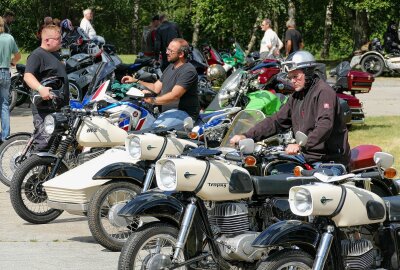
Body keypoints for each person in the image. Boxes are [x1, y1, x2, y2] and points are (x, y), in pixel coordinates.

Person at [230, 51, 351, 167]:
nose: (292, 81)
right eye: (290, 77)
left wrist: (300, 146)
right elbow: (276, 121)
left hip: (329, 160)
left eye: (296, 76)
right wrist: (247, 136)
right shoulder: (297, 96)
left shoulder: (323, 92)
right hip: (307, 155)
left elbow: (325, 125)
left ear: (308, 72)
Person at [122, 38, 199, 120]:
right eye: (167, 49)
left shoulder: (188, 71)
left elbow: (174, 95)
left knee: (154, 129)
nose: (166, 52)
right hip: (167, 113)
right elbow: (155, 88)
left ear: (181, 54)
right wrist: (135, 80)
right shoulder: (171, 67)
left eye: (170, 51)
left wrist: (153, 100)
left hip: (183, 115)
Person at [23, 25, 69, 151]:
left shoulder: (55, 55)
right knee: (43, 143)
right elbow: (28, 76)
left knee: (55, 143)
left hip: (58, 107)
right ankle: (31, 169)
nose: (61, 41)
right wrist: (40, 88)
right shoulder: (37, 55)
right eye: (58, 38)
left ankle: (49, 170)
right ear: (47, 40)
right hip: (44, 109)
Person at [0, 16, 21, 142]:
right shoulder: (9, 38)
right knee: (4, 105)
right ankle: (5, 136)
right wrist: (12, 62)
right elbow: (18, 56)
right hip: (4, 72)